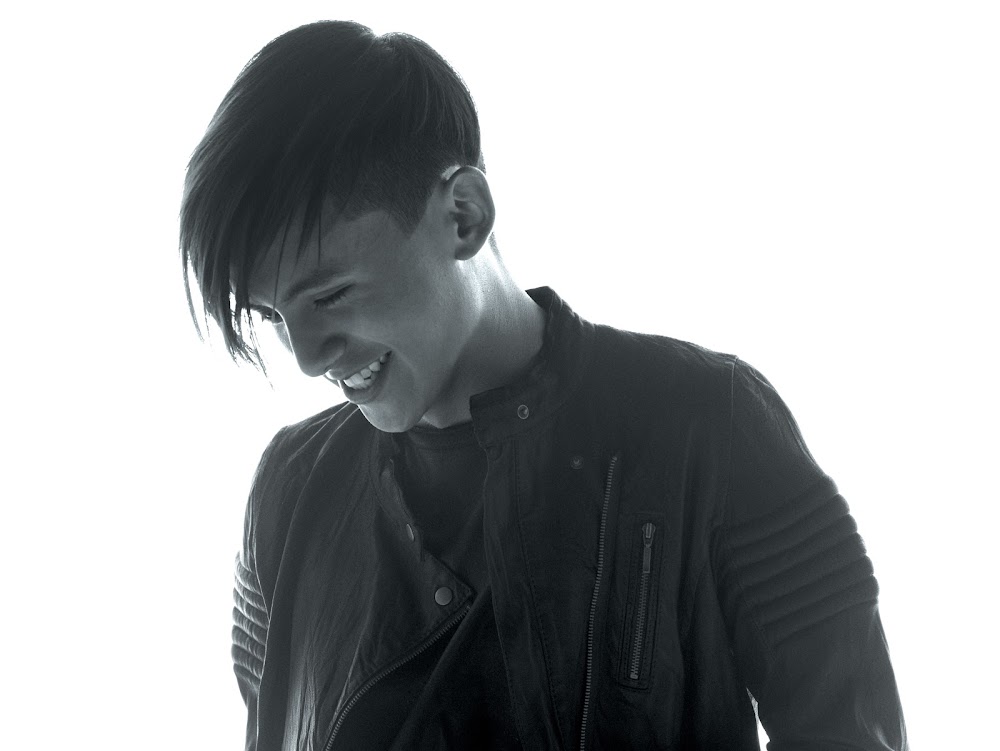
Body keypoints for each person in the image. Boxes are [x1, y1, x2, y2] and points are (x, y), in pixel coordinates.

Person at [180, 20, 908, 751]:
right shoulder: (288, 490)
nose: (308, 358)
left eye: (331, 295)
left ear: (463, 216)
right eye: (273, 315)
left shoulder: (713, 423)